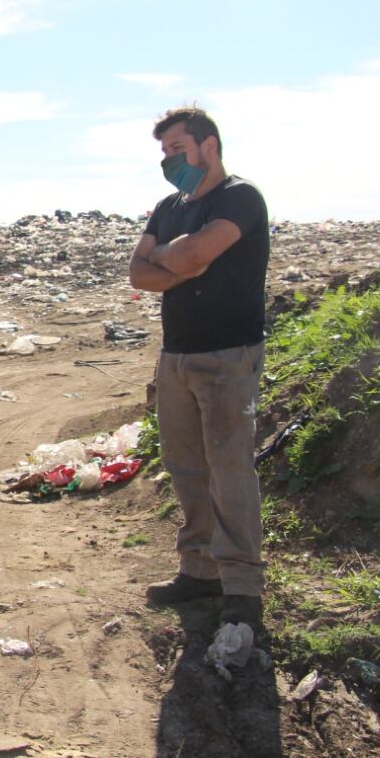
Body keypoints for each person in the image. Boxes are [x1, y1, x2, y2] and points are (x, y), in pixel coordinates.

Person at [128, 107, 270, 628]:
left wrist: (177, 258)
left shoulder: (239, 198)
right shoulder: (169, 207)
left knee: (231, 471)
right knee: (187, 469)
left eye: (178, 150)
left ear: (208, 146)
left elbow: (191, 256)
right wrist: (180, 256)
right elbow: (138, 274)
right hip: (177, 355)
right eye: (164, 153)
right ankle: (199, 569)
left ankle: (241, 587)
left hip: (230, 354)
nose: (170, 161)